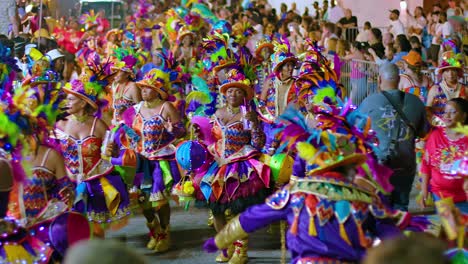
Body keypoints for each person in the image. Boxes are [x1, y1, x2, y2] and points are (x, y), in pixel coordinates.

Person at [203, 106, 410, 264]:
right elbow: (392, 233)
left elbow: (250, 219)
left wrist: (219, 241)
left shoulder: (294, 195)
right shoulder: (368, 199)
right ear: (350, 167)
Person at [196, 67, 270, 264]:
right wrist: (200, 137)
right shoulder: (218, 113)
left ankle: (241, 250)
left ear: (244, 95)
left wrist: (254, 124)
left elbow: (258, 143)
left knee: (238, 211)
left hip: (240, 167)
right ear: (225, 94)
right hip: (219, 164)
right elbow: (211, 139)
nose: (233, 94)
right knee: (216, 210)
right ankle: (226, 246)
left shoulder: (249, 115)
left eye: (238, 91)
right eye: (229, 91)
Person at [110, 68, 186, 253]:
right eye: (142, 88)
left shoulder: (166, 107)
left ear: (157, 91)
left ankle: (165, 232)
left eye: (147, 88)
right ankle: (155, 231)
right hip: (140, 161)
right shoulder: (134, 110)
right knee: (143, 201)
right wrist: (121, 133)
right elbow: (128, 132)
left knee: (158, 201)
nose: (143, 91)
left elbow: (181, 130)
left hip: (160, 160)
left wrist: (171, 130)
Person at [55, 71, 131, 238]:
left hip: (95, 183)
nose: (67, 102)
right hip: (69, 185)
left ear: (83, 103)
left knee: (95, 231)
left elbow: (114, 152)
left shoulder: (98, 125)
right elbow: (55, 154)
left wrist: (111, 150)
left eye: (71, 99)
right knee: (72, 231)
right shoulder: (60, 124)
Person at [359, 63, 429, 211]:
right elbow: (423, 133)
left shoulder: (368, 102)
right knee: (401, 208)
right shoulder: (416, 102)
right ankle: (399, 231)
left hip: (379, 165)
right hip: (405, 164)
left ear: (379, 80)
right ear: (399, 79)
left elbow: (357, 133)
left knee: (379, 208)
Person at [419, 98, 468, 213]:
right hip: (440, 196)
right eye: (445, 112)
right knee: (448, 229)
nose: (447, 115)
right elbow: (426, 164)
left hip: (464, 199)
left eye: (453, 112)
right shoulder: (435, 136)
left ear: (464, 116)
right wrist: (424, 191)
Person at [258, 42, 298, 154]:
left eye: (292, 65)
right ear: (280, 68)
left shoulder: (296, 84)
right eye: (287, 66)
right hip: (270, 127)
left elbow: (300, 107)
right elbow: (261, 105)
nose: (291, 69)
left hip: (290, 127)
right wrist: (271, 119)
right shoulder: (270, 82)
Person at [427, 51, 467, 126]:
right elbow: (428, 110)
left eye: (453, 70)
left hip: (460, 128)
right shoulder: (435, 89)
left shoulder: (465, 89)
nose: (450, 74)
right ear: (442, 73)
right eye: (447, 71)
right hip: (440, 128)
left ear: (457, 72)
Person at [110, 47, 142, 126]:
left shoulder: (133, 87)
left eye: (119, 72)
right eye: (115, 72)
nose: (115, 75)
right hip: (117, 125)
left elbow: (141, 110)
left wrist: (128, 112)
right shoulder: (116, 85)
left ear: (127, 74)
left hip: (131, 127)